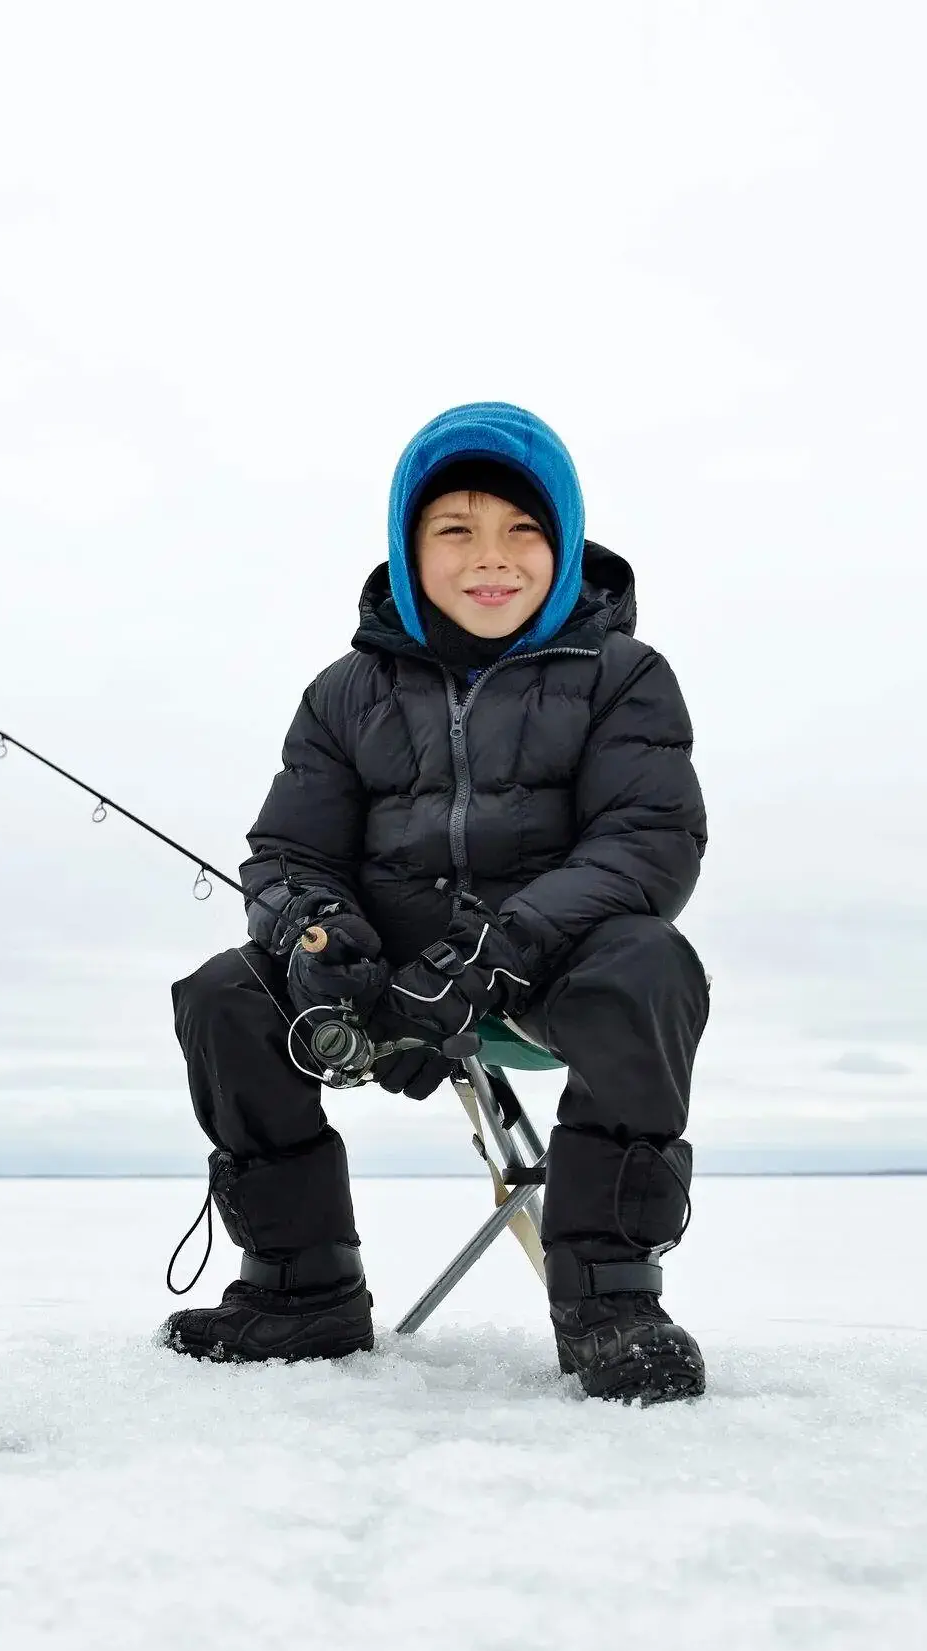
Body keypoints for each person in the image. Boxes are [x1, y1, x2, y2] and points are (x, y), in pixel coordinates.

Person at [161, 402, 710, 1402]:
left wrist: (499, 951)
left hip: (551, 968)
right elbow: (286, 852)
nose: (489, 559)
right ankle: (301, 1289)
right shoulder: (345, 692)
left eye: (522, 532)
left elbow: (647, 843)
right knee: (224, 993)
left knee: (649, 966)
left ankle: (610, 1301)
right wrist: (321, 940)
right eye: (455, 530)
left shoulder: (626, 677)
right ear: (410, 548)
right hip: (383, 977)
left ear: (567, 542)